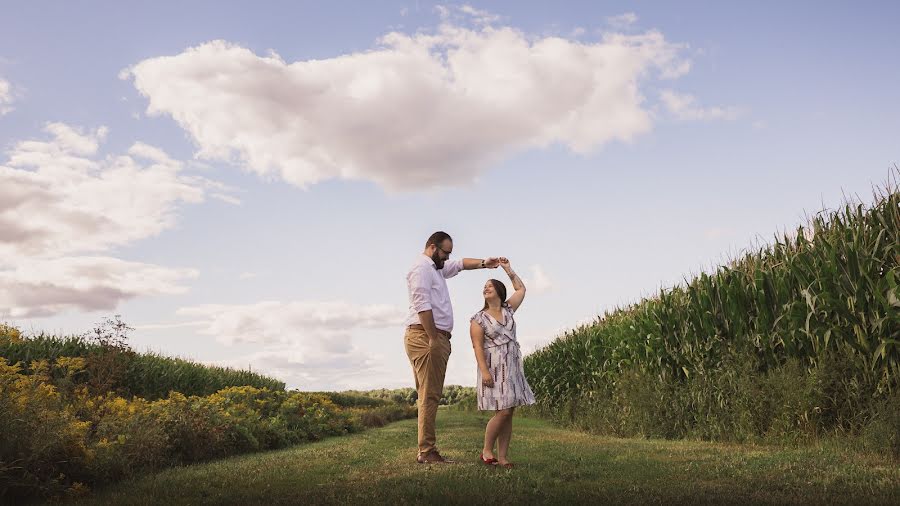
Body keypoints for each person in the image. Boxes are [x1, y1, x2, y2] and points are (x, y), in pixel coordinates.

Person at [404, 231, 500, 464]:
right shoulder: (422, 268)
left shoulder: (435, 267)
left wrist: (484, 264)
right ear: (433, 247)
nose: (448, 258)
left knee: (429, 394)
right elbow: (422, 305)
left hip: (432, 336)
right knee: (430, 395)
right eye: (445, 252)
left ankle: (427, 450)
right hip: (427, 336)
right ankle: (427, 452)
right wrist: (433, 338)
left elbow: (459, 265)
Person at [469, 257, 535, 469]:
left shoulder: (508, 309)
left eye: (490, 286)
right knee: (503, 411)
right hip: (493, 367)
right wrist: (485, 372)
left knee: (509, 412)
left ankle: (503, 457)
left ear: (499, 291)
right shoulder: (478, 318)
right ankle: (487, 450)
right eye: (484, 287)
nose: (486, 288)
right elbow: (477, 347)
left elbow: (521, 289)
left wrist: (508, 269)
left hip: (513, 365)